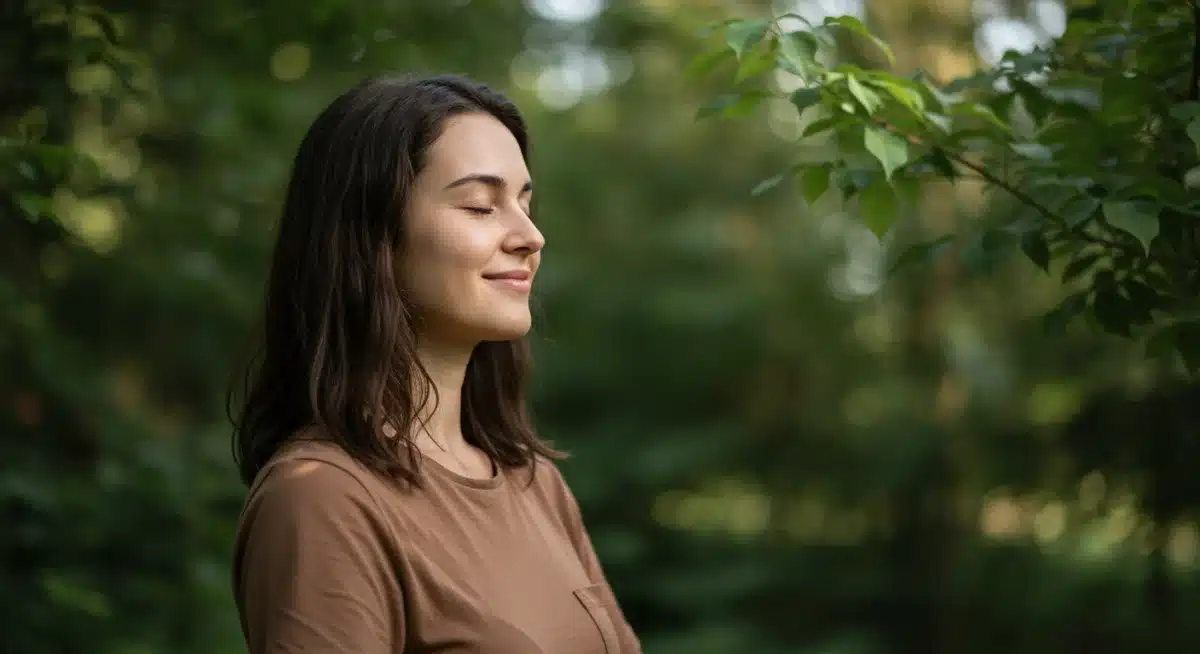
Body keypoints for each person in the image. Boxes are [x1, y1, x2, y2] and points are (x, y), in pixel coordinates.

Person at [227, 74, 642, 654]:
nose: (530, 236)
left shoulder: (534, 483)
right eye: (479, 206)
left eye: (525, 203)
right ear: (370, 236)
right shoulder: (324, 499)